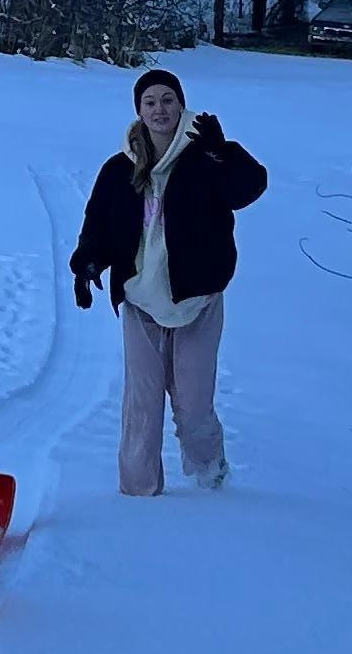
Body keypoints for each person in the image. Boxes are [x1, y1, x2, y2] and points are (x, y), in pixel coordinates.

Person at [71, 67, 268, 497]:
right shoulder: (119, 169)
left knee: (194, 405)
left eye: (167, 100)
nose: (159, 109)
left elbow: (250, 187)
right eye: (150, 102)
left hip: (197, 302)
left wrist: (221, 152)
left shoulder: (205, 157)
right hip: (142, 303)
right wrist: (87, 264)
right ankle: (138, 492)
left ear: (181, 105)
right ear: (139, 111)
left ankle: (210, 478)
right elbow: (98, 224)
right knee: (141, 405)